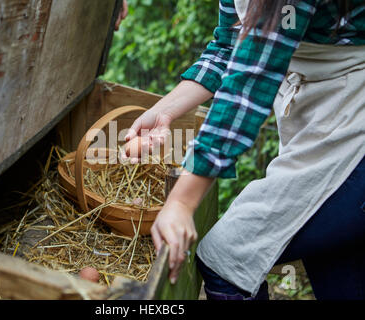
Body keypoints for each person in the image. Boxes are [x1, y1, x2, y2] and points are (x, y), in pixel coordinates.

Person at [123, 0, 365, 300]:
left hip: (354, 120)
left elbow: (251, 82)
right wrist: (162, 113)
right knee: (336, 261)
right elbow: (229, 47)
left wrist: (182, 203)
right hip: (325, 117)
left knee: (227, 260)